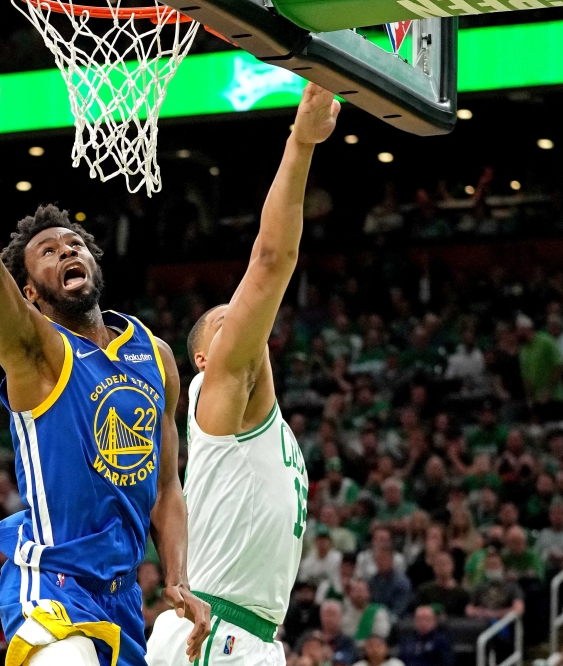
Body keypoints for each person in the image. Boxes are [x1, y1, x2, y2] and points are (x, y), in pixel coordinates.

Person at [0, 61, 210, 666]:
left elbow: (168, 485)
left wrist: (177, 578)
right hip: (52, 587)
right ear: (31, 293)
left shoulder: (156, 354)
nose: (67, 248)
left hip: (121, 596)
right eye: (47, 250)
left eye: (74, 243)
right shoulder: (36, 351)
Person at [144, 83, 340, 666]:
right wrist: (300, 144)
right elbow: (271, 260)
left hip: (247, 635)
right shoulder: (218, 395)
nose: (246, 319)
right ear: (204, 359)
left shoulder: (269, 424)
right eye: (229, 321)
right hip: (212, 631)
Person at [412, 552, 469, 617]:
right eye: (438, 564)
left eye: (444, 564)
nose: (441, 567)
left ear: (452, 566)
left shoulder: (462, 593)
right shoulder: (424, 591)